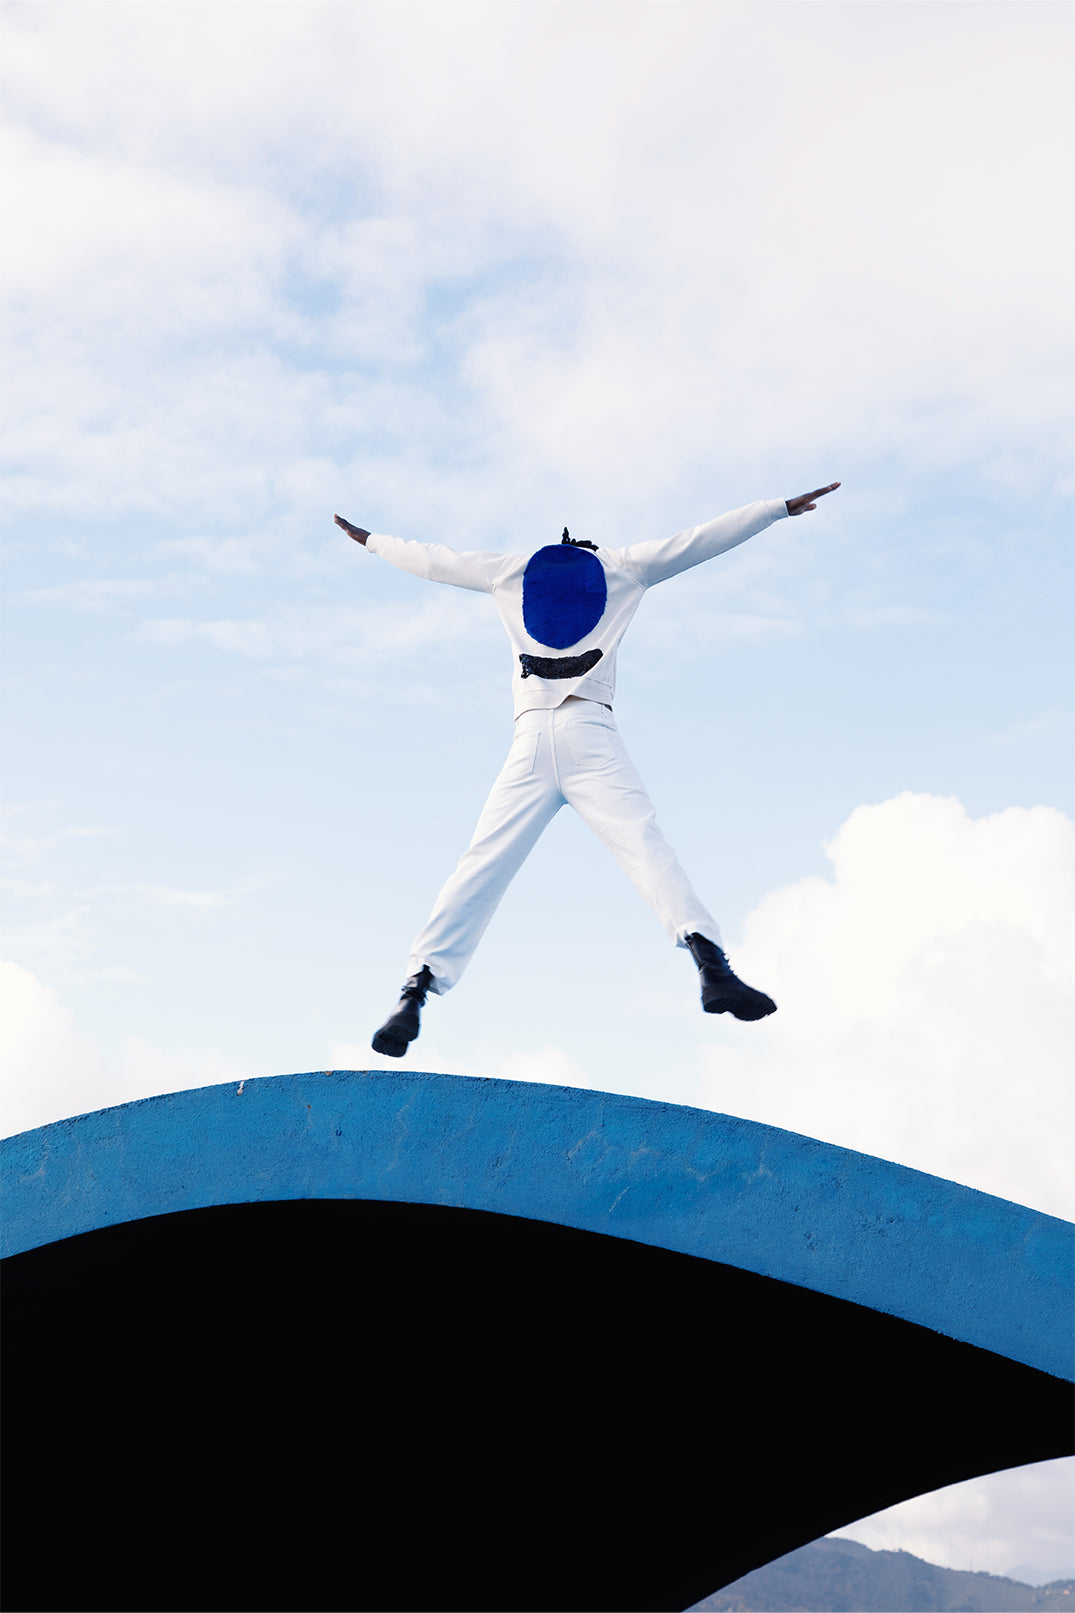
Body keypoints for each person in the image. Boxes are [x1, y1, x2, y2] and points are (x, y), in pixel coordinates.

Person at [335, 482, 839, 1057]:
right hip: (589, 732)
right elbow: (699, 541)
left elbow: (431, 561)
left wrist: (371, 541)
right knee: (645, 847)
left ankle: (415, 993)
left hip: (529, 741)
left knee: (479, 866)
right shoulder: (624, 566)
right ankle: (709, 962)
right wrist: (775, 510)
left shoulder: (508, 569)